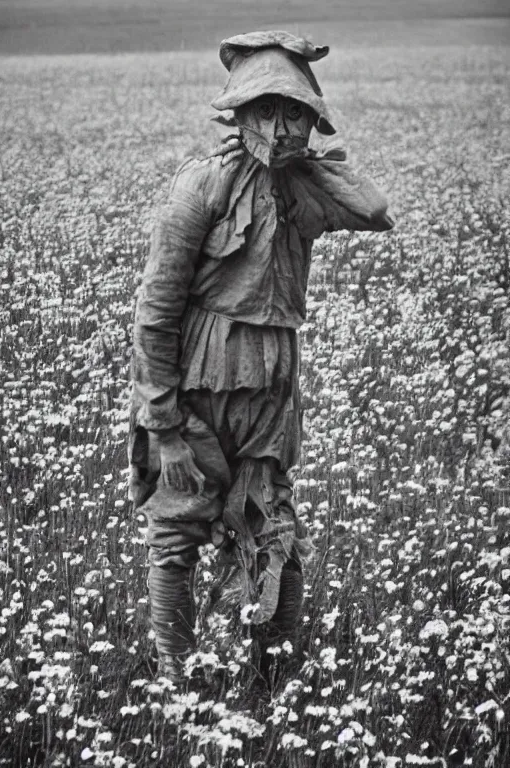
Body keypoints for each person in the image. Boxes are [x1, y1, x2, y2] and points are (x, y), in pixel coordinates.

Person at [128, 30, 394, 683]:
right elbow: (155, 313)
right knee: (178, 530)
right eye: (265, 112)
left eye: (294, 113)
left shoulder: (302, 190)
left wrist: (309, 157)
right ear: (238, 113)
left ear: (311, 120)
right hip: (197, 390)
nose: (278, 129)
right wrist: (164, 430)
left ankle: (275, 681)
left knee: (276, 532)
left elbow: (376, 209)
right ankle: (174, 676)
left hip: (270, 393)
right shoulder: (203, 186)